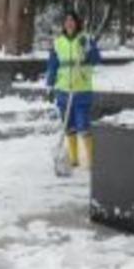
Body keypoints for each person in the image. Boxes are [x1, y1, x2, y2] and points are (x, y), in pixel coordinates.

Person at [45, 11, 102, 168]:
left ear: (77, 22)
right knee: (68, 126)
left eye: (72, 20)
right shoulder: (58, 43)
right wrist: (49, 86)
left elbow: (97, 59)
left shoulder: (85, 39)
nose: (69, 23)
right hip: (63, 89)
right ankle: (73, 159)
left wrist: (89, 49)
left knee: (83, 125)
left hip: (81, 89)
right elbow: (52, 66)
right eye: (66, 21)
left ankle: (91, 160)